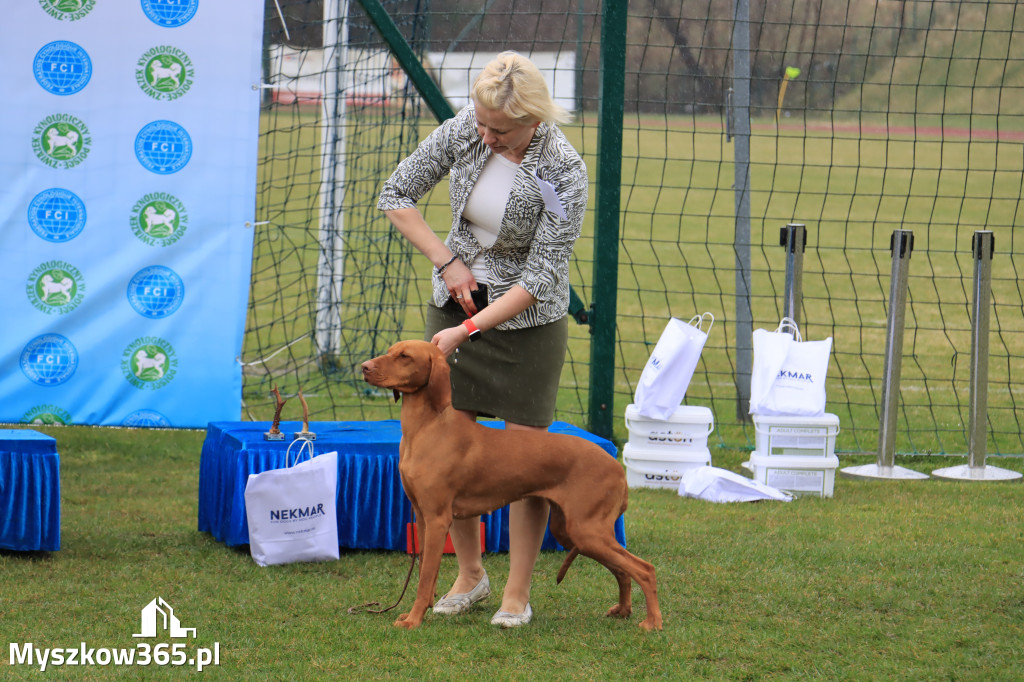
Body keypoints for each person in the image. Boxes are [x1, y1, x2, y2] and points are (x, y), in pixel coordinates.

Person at [377, 51, 588, 628]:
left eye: (500, 129)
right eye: (481, 122)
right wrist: (447, 263)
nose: (486, 135)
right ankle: (469, 574)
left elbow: (543, 277)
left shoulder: (565, 168)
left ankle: (517, 592)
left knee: (526, 455)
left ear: (533, 120)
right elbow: (395, 194)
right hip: (455, 305)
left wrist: (469, 328)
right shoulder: (466, 129)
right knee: (450, 451)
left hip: (525, 323)